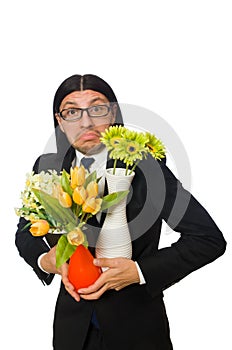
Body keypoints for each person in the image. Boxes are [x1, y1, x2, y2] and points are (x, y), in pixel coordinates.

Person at [15, 74, 226, 350]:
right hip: (72, 333)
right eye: (72, 112)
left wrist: (139, 271)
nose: (86, 121)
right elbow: (24, 233)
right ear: (60, 121)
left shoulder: (145, 167)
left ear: (112, 112)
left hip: (138, 330)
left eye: (97, 108)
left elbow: (207, 238)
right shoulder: (48, 166)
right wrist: (47, 260)